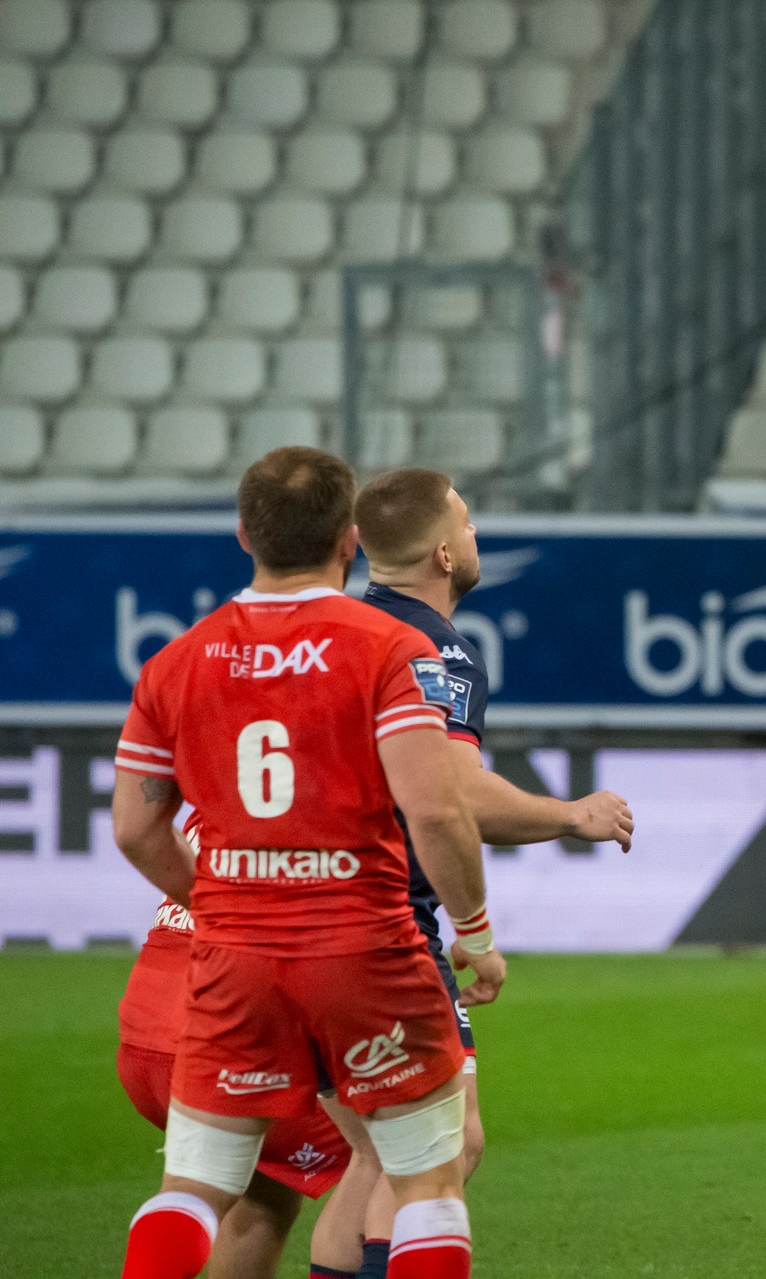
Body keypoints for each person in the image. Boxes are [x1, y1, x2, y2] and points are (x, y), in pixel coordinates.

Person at [112, 446, 505, 1279]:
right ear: (349, 540)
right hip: (364, 948)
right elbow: (436, 809)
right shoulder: (388, 649)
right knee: (428, 1177)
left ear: (243, 533)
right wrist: (473, 930)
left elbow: (136, 830)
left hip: (234, 961)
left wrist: (221, 898)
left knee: (193, 1188)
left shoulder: (174, 662)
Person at [343, 466, 637, 1279]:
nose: (475, 539)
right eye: (467, 525)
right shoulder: (433, 647)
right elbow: (454, 794)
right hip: (388, 925)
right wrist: (571, 814)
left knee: (374, 1158)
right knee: (442, 1147)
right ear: (442, 553)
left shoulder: (341, 627)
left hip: (301, 918)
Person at [115, 812, 377, 1279]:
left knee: (260, 1191)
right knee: (395, 1155)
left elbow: (135, 828)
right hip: (236, 1026)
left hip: (145, 1032)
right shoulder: (325, 775)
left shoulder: (221, 772)